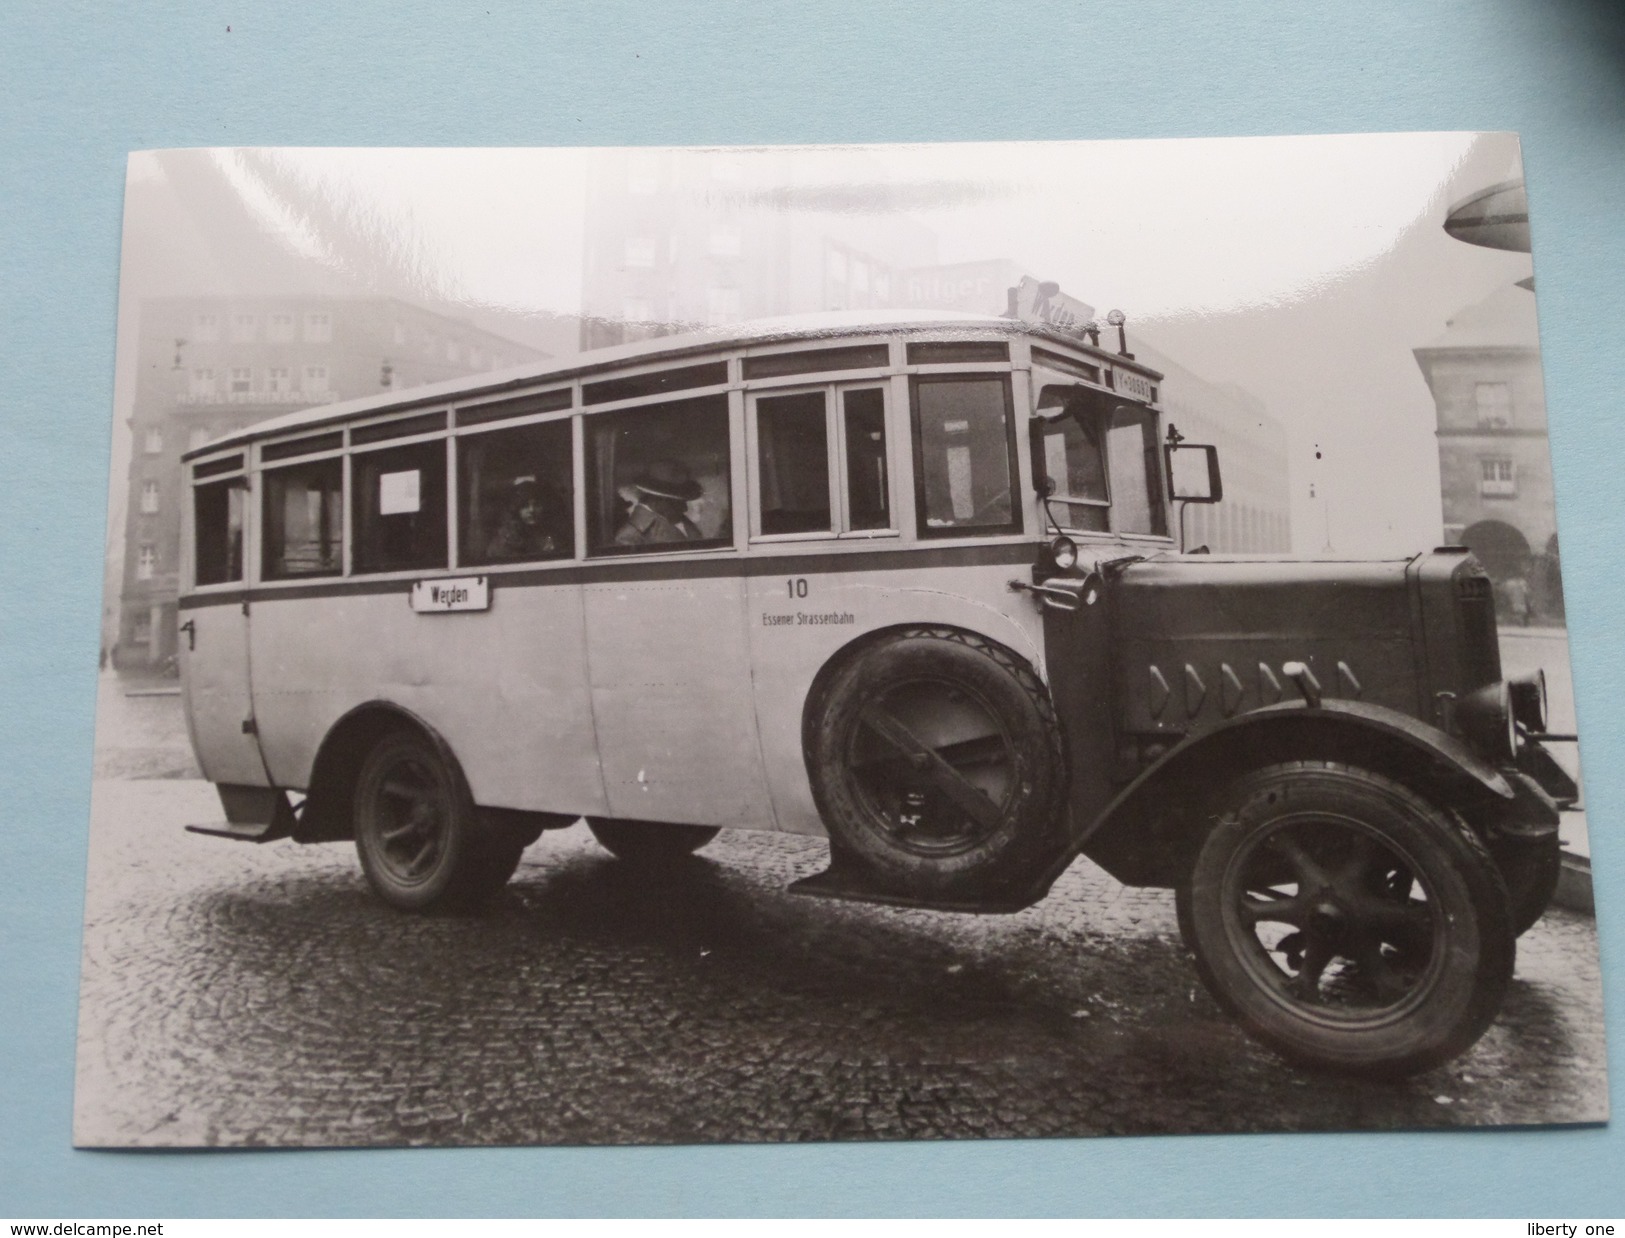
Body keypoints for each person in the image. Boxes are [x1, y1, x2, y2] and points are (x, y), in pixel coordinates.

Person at [614, 459, 704, 546]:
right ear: (656, 500)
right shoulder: (631, 538)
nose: (685, 508)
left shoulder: (684, 523)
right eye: (676, 502)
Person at [485, 475, 562, 561]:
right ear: (516, 510)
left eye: (536, 505)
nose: (531, 510)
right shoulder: (505, 540)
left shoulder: (551, 535)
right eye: (525, 506)